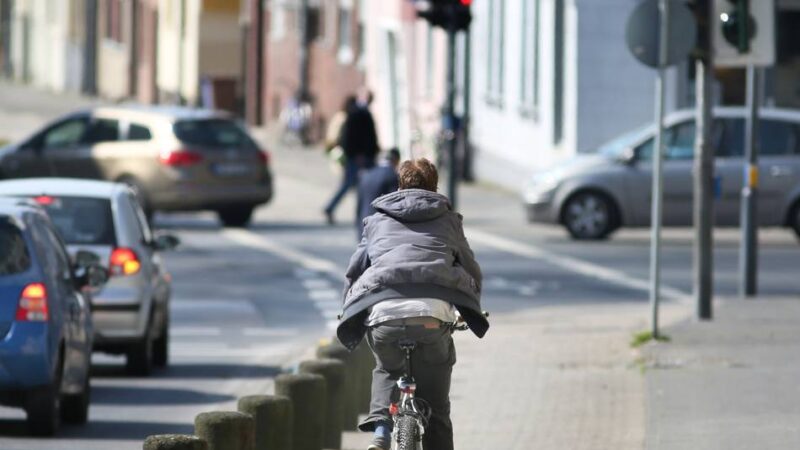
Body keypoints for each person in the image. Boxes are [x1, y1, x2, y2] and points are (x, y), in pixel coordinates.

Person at [336, 158, 489, 450]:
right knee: (438, 410)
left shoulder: (377, 220)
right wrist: (472, 307)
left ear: (400, 186)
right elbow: (470, 268)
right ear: (434, 186)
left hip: (384, 314)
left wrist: (348, 309)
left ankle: (380, 430)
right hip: (432, 317)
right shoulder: (448, 220)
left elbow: (355, 270)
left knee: (384, 366)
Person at [323, 88, 380, 225]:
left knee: (354, 185)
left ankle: (357, 213)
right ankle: (337, 209)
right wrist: (357, 154)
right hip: (359, 157)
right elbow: (352, 137)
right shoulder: (357, 113)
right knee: (355, 185)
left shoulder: (361, 112)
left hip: (362, 156)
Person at [355, 148, 401, 238]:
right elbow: (394, 205)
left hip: (364, 224)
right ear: (395, 160)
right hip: (381, 229)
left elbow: (359, 205)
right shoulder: (392, 175)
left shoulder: (366, 174)